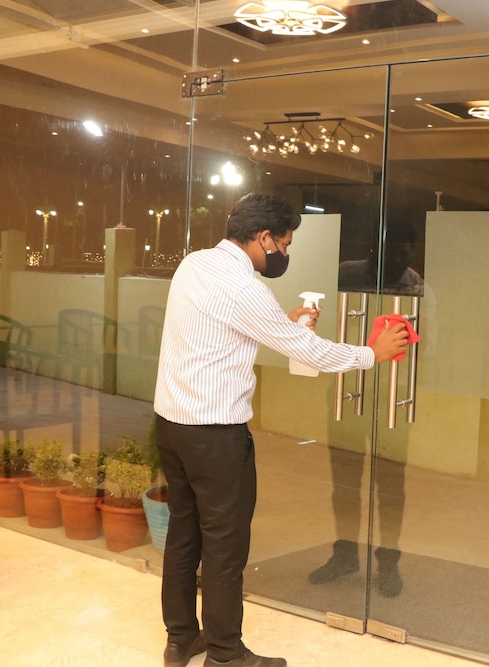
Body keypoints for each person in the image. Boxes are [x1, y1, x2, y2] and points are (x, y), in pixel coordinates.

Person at [153, 192, 410, 667]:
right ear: (264, 237)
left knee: (184, 534)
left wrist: (283, 323)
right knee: (225, 547)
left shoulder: (195, 264)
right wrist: (371, 354)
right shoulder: (245, 288)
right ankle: (225, 655)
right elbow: (309, 352)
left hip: (172, 426)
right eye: (285, 245)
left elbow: (225, 331)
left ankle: (181, 639)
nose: (284, 254)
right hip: (215, 436)